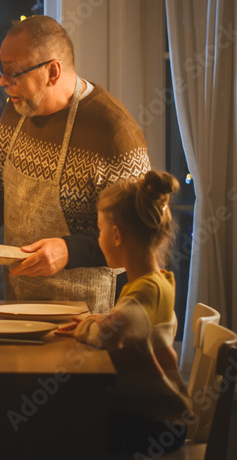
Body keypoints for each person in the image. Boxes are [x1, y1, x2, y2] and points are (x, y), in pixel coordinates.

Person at [0, 15, 151, 313]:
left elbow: (135, 232)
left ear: (52, 71)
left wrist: (68, 251)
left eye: (13, 73)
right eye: (1, 70)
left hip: (93, 311)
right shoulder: (15, 110)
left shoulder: (114, 132)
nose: (2, 82)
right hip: (22, 298)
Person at [56, 171, 190, 454]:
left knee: (68, 431)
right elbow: (123, 325)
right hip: (156, 418)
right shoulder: (156, 282)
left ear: (116, 235)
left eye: (100, 229)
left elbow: (108, 334)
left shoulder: (147, 292)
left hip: (157, 424)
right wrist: (94, 320)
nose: (99, 237)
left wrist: (87, 326)